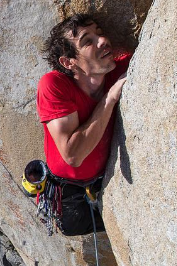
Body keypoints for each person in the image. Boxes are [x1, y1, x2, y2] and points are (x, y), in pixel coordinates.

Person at [35, 14, 131, 235]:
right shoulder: (54, 85)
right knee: (71, 227)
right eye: (87, 41)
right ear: (68, 62)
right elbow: (73, 155)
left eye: (99, 32)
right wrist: (110, 98)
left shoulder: (120, 67)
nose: (103, 40)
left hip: (106, 178)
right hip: (67, 193)